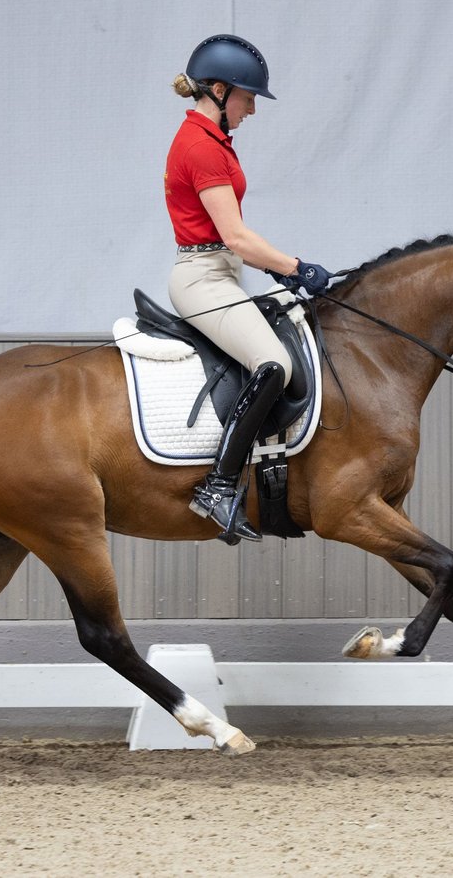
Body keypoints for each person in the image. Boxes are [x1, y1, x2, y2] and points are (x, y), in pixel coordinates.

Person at [165, 34, 333, 543]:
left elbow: (234, 238)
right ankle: (216, 487)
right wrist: (295, 266)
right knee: (274, 364)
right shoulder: (200, 146)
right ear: (219, 90)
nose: (253, 109)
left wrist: (281, 272)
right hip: (201, 279)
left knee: (298, 323)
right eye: (248, 97)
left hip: (223, 270)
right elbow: (235, 235)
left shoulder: (213, 141)